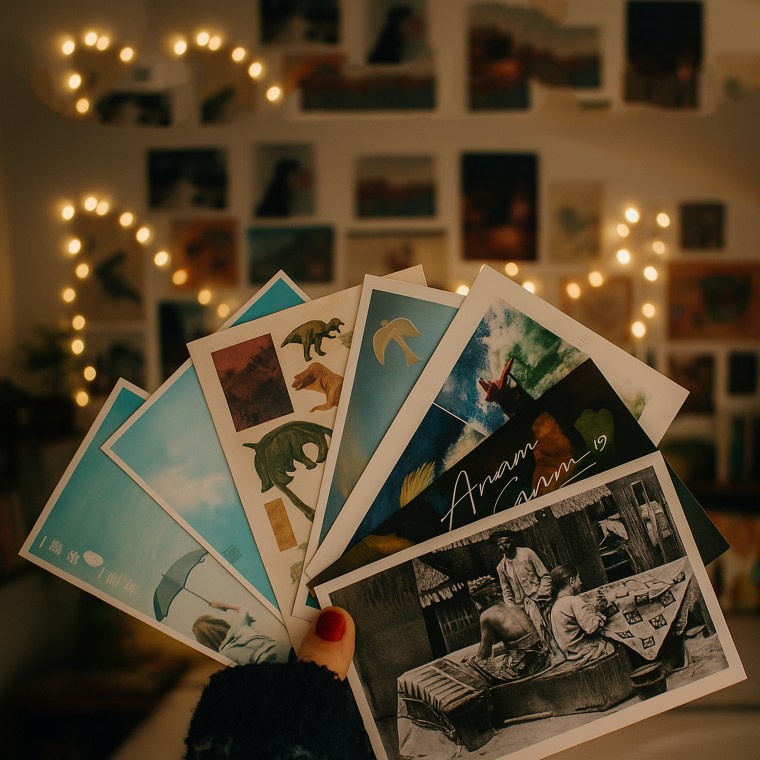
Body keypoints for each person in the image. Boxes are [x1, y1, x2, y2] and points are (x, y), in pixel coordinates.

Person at [185, 606, 374, 759]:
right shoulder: (238, 628)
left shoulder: (224, 654)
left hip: (275, 683)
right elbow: (242, 610)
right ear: (218, 623)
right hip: (290, 657)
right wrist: (220, 605)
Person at [492, 530, 563, 662]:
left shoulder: (527, 553)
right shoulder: (501, 567)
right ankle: (544, 657)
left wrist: (541, 595)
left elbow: (545, 576)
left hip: (539, 599)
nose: (504, 546)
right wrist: (512, 608)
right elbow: (506, 591)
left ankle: (557, 653)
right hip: (521, 606)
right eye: (500, 544)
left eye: (506, 542)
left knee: (547, 627)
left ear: (512, 541)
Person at [469, 580, 549, 680]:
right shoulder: (514, 603)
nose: (479, 607)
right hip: (543, 655)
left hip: (524, 666)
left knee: (476, 663)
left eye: (478, 603)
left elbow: (483, 654)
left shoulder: (486, 615)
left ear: (486, 598)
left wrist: (474, 659)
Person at [549, 564, 615, 665]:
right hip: (587, 652)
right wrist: (601, 611)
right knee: (616, 639)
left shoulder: (555, 606)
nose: (581, 582)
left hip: (571, 654)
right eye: (578, 578)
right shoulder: (573, 600)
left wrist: (592, 609)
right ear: (571, 581)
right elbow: (593, 627)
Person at [192, 600, 281, 666]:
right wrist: (221, 605)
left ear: (205, 643)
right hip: (283, 651)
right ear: (219, 623)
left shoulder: (224, 659)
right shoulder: (240, 627)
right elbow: (241, 608)